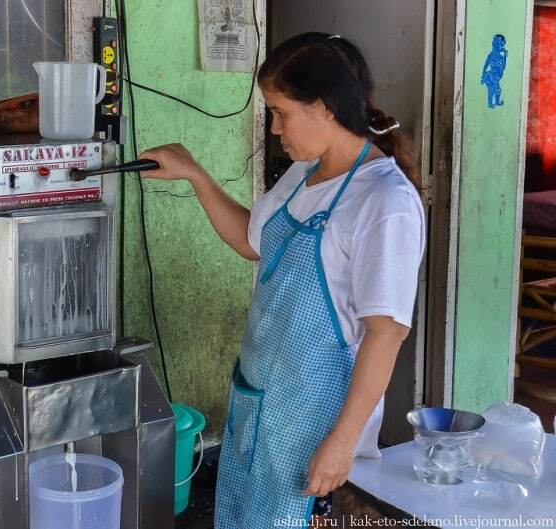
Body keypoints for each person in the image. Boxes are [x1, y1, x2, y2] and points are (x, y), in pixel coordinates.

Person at [139, 32, 425, 528]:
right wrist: (196, 176)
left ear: (323, 107)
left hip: (316, 423)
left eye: (280, 112)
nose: (274, 129)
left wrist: (341, 443)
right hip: (258, 401)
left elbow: (387, 333)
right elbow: (255, 242)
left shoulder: (384, 203)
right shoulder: (302, 172)